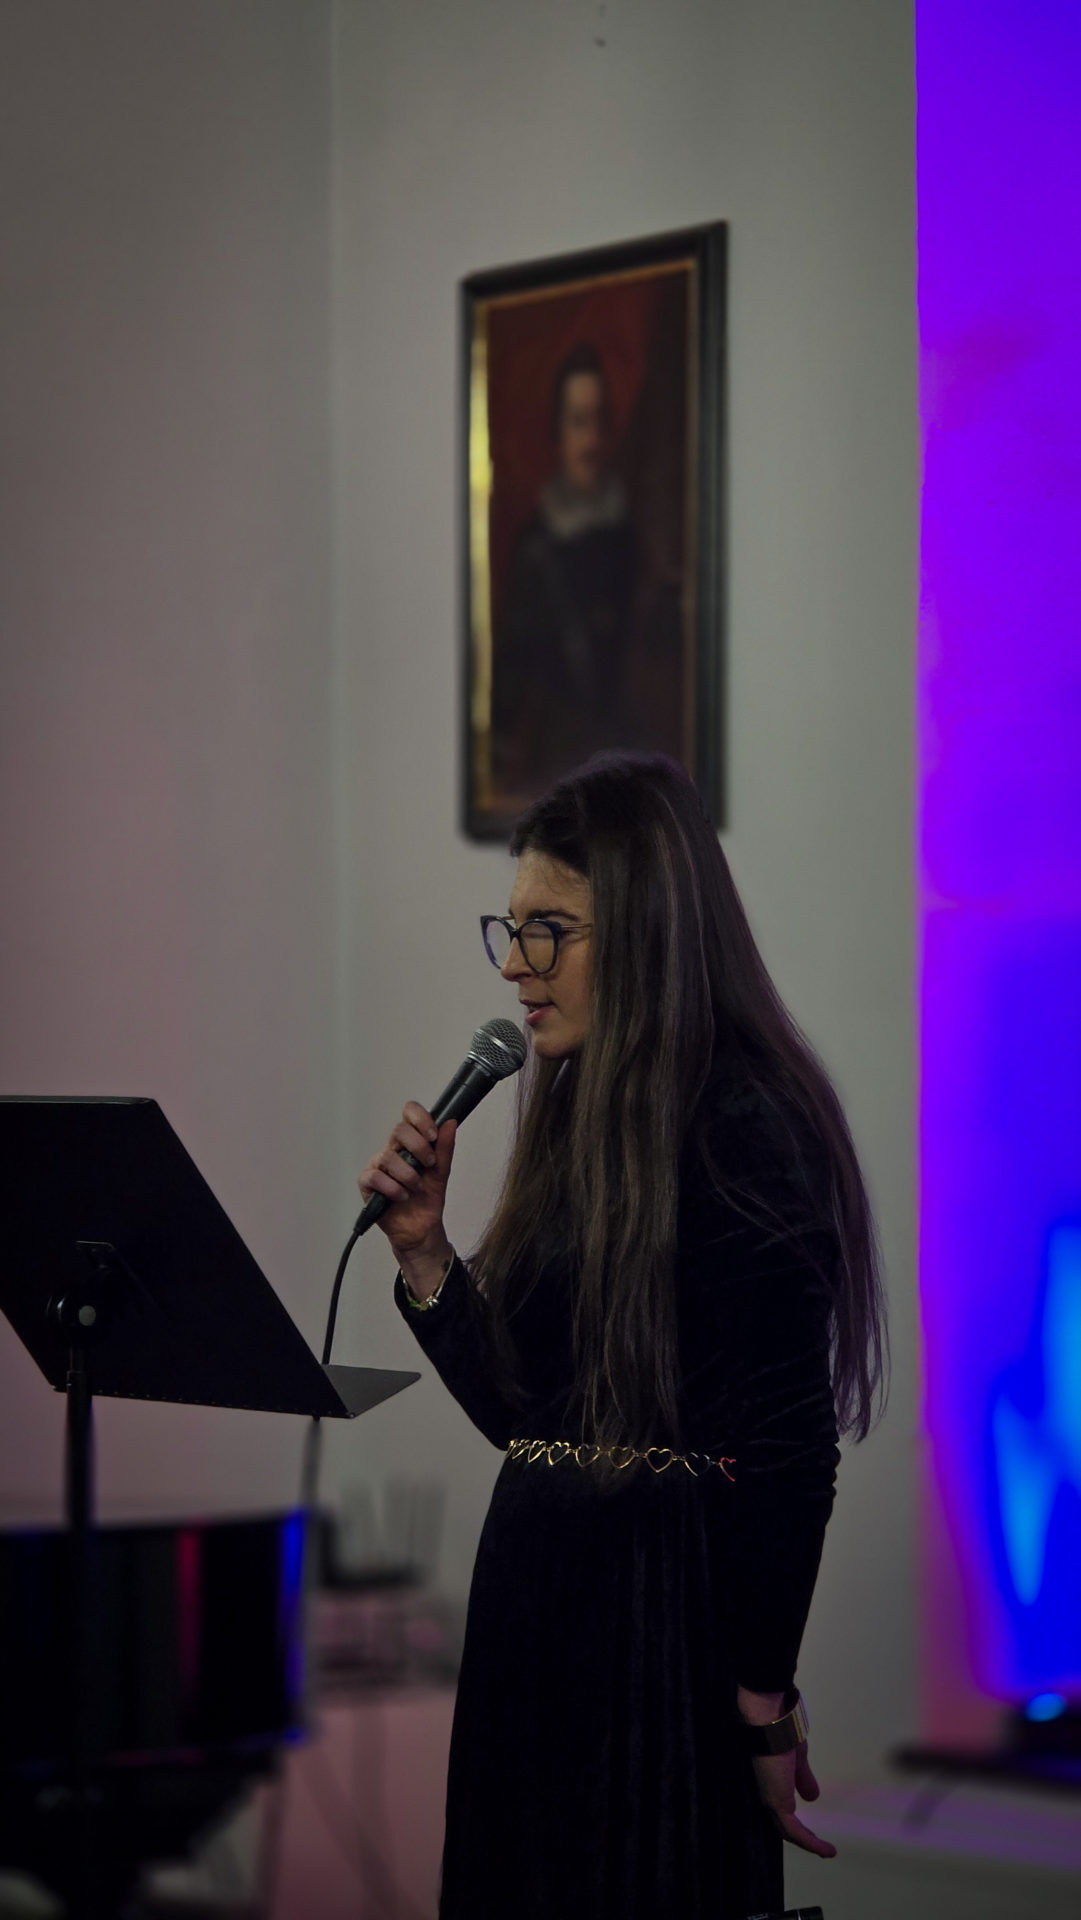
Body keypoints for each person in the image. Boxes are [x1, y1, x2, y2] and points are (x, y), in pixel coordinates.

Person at [359, 752, 886, 1920]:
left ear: (647, 934)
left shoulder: (752, 1123)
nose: (514, 964)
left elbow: (789, 1451)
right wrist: (426, 1256)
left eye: (547, 931)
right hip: (536, 1615)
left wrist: (763, 1703)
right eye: (510, 930)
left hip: (654, 1637)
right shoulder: (579, 1114)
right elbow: (528, 1422)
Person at [490, 344, 682, 798]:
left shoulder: (630, 534)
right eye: (579, 423)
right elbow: (509, 678)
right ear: (558, 435)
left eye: (599, 421)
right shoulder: (536, 546)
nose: (592, 440)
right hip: (560, 765)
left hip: (627, 757)